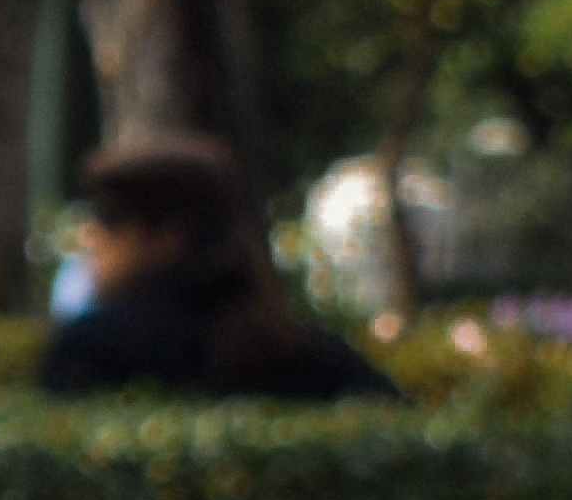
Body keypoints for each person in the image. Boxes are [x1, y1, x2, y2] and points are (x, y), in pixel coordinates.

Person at [42, 131, 391, 403]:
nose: (90, 236)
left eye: (109, 219)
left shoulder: (91, 351)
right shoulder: (301, 351)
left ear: (166, 237)